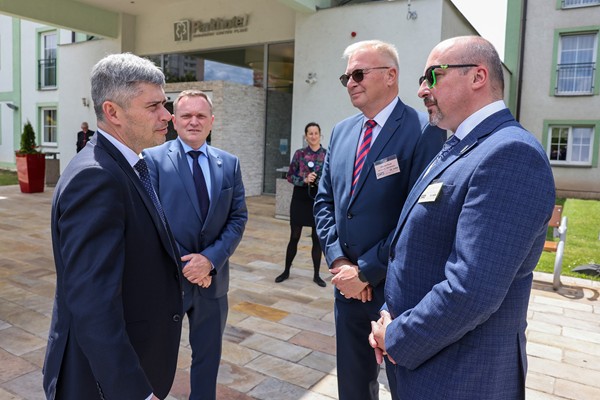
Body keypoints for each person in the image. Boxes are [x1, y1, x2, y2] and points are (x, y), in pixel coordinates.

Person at [369, 36, 556, 400]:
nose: (422, 89)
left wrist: (396, 337)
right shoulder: (459, 146)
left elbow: (472, 290)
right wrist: (388, 318)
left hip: (460, 377)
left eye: (432, 76)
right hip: (422, 364)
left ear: (478, 76)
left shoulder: (510, 153)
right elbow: (414, 251)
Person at [43, 53, 183, 400]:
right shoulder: (96, 178)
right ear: (113, 112)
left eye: (164, 104)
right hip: (102, 384)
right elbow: (93, 305)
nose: (167, 115)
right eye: (153, 106)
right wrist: (135, 393)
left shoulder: (128, 164)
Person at [314, 40, 446, 400]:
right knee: (352, 387)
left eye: (358, 74)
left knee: (405, 388)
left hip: (396, 292)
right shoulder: (341, 131)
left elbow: (419, 218)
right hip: (347, 288)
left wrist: (367, 271)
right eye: (346, 77)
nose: (350, 82)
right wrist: (340, 263)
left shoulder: (424, 130)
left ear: (391, 76)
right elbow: (325, 201)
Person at [143, 89, 248, 400]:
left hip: (213, 285)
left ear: (211, 121)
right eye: (186, 115)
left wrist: (210, 260)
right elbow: (151, 221)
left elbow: (238, 218)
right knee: (155, 358)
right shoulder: (151, 160)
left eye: (201, 115)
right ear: (174, 121)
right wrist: (190, 266)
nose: (193, 121)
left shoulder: (229, 163)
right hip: (168, 283)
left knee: (208, 359)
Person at [275, 122, 327, 287]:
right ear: (306, 136)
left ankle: (317, 275)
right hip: (300, 198)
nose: (313, 136)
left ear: (320, 135)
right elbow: (290, 176)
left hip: (318, 199)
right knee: (294, 236)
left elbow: (331, 177)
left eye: (316, 133)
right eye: (310, 133)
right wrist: (304, 179)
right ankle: (286, 271)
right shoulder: (299, 154)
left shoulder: (326, 155)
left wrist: (318, 180)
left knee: (316, 239)